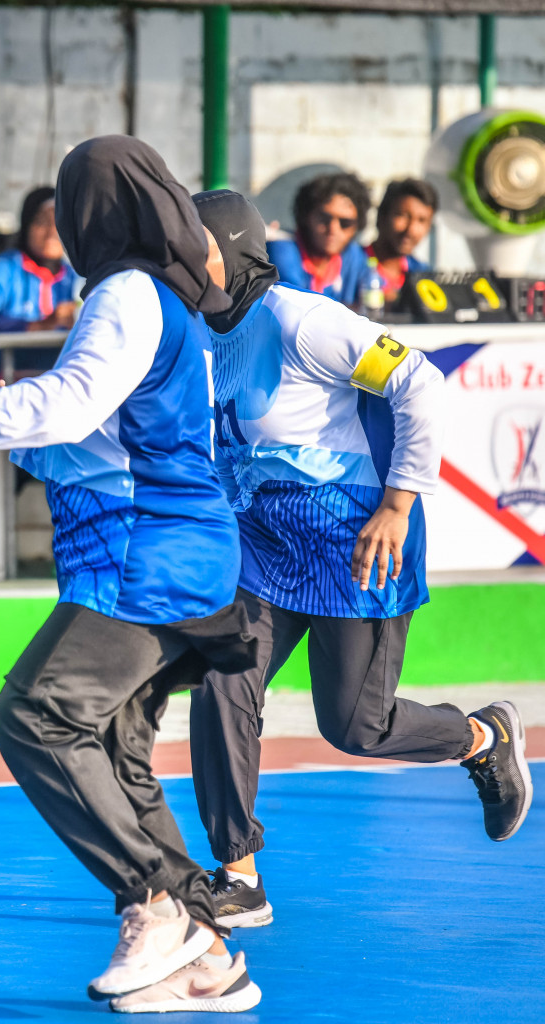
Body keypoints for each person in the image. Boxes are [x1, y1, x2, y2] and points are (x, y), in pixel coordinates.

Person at [0, 137, 262, 1013]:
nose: (64, 225)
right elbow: (97, 434)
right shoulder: (169, 299)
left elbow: (71, 404)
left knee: (35, 714)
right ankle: (210, 957)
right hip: (178, 551)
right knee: (119, 753)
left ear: (94, 212)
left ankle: (156, 900)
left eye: (72, 205)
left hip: (152, 556)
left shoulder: (127, 295)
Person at [188, 189, 533, 932]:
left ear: (236, 248)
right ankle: (238, 875)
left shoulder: (306, 320)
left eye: (197, 244)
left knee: (356, 729)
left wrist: (398, 505)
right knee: (222, 683)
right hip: (267, 551)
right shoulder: (204, 332)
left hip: (356, 544)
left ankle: (483, 737)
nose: (182, 259)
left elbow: (420, 381)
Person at [0, 186, 79, 383]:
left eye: (59, 223)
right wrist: (37, 326)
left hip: (45, 383)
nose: (51, 233)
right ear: (26, 224)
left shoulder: (73, 278)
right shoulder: (5, 268)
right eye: (42, 222)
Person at [266, 172, 371, 308]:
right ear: (306, 216)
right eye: (324, 219)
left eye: (345, 223)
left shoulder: (355, 256)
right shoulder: (282, 249)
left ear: (357, 226)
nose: (333, 229)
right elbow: (300, 309)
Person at [369, 178, 438, 303]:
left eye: (421, 220)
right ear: (382, 216)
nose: (411, 230)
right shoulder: (350, 263)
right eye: (402, 215)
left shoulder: (423, 274)